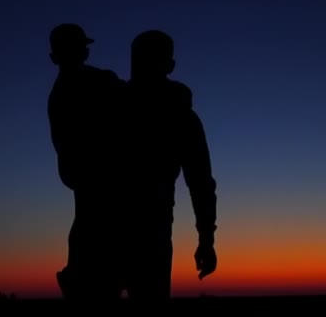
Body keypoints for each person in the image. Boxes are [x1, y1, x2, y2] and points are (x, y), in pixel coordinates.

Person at [121, 29, 218, 310]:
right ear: (170, 66)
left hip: (117, 231)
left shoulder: (111, 105)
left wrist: (206, 239)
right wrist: (206, 240)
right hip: (144, 232)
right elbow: (201, 185)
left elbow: (201, 184)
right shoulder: (182, 117)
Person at [46, 23, 127, 305]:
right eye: (80, 46)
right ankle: (88, 287)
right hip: (94, 177)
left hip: (91, 177)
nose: (84, 51)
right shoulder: (87, 84)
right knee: (94, 235)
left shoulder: (88, 82)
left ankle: (90, 284)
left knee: (91, 231)